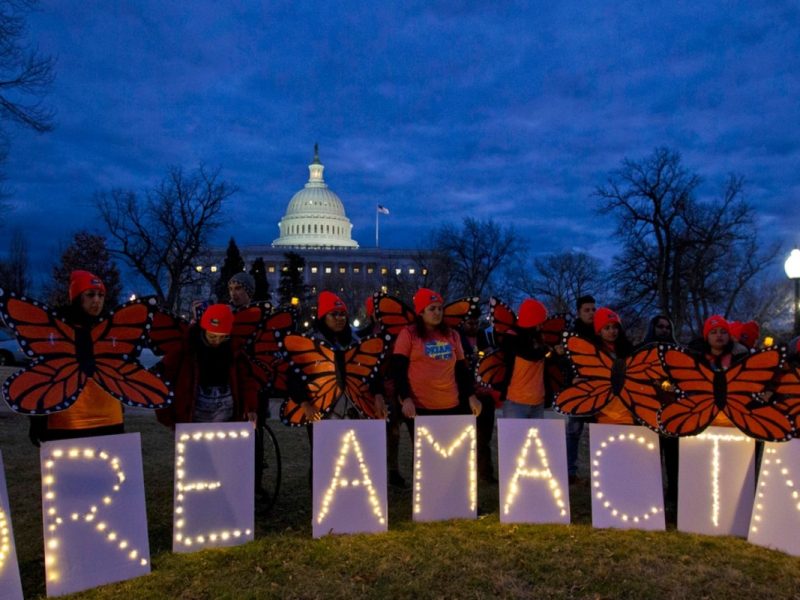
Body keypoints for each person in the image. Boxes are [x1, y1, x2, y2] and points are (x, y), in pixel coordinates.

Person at [30, 270, 124, 442]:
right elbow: (42, 376)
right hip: (68, 421)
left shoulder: (111, 330)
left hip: (110, 417)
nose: (97, 300)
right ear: (77, 297)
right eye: (90, 295)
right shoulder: (58, 331)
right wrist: (38, 420)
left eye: (101, 295)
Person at [156, 304, 259, 425]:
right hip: (192, 418)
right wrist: (166, 415)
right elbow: (163, 380)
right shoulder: (184, 349)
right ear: (203, 330)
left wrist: (250, 408)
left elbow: (247, 382)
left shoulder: (234, 351)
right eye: (212, 336)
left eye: (223, 337)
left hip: (227, 416)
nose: (217, 341)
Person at [393, 288, 481, 420]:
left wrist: (471, 396)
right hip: (419, 407)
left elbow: (462, 370)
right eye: (432, 309)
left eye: (440, 309)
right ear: (421, 312)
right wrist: (405, 398)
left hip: (451, 405)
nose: (437, 312)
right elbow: (398, 370)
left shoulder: (453, 335)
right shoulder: (408, 334)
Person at [638, 314, 680, 519]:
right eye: (659, 326)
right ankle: (649, 493)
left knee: (673, 455)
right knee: (651, 455)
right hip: (648, 408)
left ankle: (674, 493)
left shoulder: (677, 351)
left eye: (667, 327)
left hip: (672, 410)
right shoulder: (643, 350)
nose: (663, 330)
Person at [459, 313, 499, 482]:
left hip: (484, 395)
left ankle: (485, 473)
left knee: (484, 437)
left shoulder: (484, 337)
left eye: (476, 322)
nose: (473, 325)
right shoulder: (457, 339)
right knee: (463, 437)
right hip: (465, 395)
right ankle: (464, 474)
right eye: (470, 322)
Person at [563, 294, 596, 484]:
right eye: (587, 310)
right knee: (574, 430)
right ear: (579, 312)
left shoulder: (600, 332)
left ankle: (599, 471)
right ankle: (570, 471)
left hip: (598, 389)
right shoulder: (572, 333)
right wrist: (571, 380)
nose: (591, 313)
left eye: (593, 309)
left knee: (599, 431)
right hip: (578, 390)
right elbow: (565, 362)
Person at [499, 298, 550, 420]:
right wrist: (547, 351)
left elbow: (545, 363)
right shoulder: (512, 337)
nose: (542, 325)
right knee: (515, 438)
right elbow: (529, 354)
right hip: (515, 401)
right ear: (532, 320)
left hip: (537, 401)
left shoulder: (538, 338)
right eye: (539, 322)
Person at [590, 307, 634, 424]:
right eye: (607, 328)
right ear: (599, 331)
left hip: (626, 407)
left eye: (615, 327)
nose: (612, 331)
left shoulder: (628, 349)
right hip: (603, 408)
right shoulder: (593, 352)